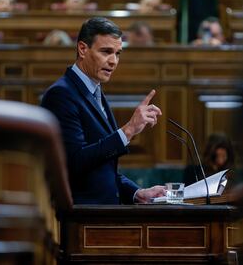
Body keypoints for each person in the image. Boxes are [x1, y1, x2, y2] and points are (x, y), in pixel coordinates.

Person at [41, 17, 165, 204]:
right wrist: (128, 130)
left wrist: (136, 192)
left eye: (117, 54)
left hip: (102, 214)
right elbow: (74, 162)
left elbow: (102, 168)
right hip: (80, 215)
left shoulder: (95, 91)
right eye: (106, 52)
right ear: (82, 49)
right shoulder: (61, 94)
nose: (113, 61)